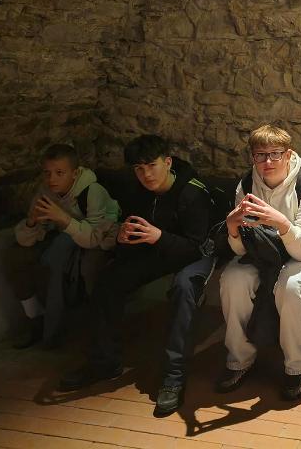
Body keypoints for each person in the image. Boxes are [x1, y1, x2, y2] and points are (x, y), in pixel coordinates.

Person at [58, 135, 213, 419]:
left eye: (152, 166)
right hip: (155, 250)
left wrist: (159, 236)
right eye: (139, 169)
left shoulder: (192, 193)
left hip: (191, 253)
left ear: (167, 162)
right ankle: (104, 362)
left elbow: (197, 247)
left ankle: (173, 377)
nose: (146, 174)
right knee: (109, 280)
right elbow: (134, 229)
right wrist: (123, 237)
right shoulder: (137, 189)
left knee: (184, 288)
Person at [216, 124, 301, 400]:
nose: (268, 162)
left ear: (288, 154)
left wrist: (281, 223)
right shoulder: (247, 185)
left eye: (275, 154)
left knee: (292, 287)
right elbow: (240, 249)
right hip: (262, 251)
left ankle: (296, 365)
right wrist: (232, 228)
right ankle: (240, 359)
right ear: (253, 157)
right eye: (260, 155)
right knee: (232, 280)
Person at [8, 144, 119, 348]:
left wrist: (63, 219)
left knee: (85, 267)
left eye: (60, 173)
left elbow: (94, 238)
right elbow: (26, 240)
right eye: (47, 173)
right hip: (66, 234)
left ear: (74, 174)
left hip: (99, 238)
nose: (52, 179)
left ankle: (97, 329)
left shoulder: (93, 192)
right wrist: (32, 222)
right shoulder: (46, 192)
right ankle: (37, 320)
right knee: (17, 255)